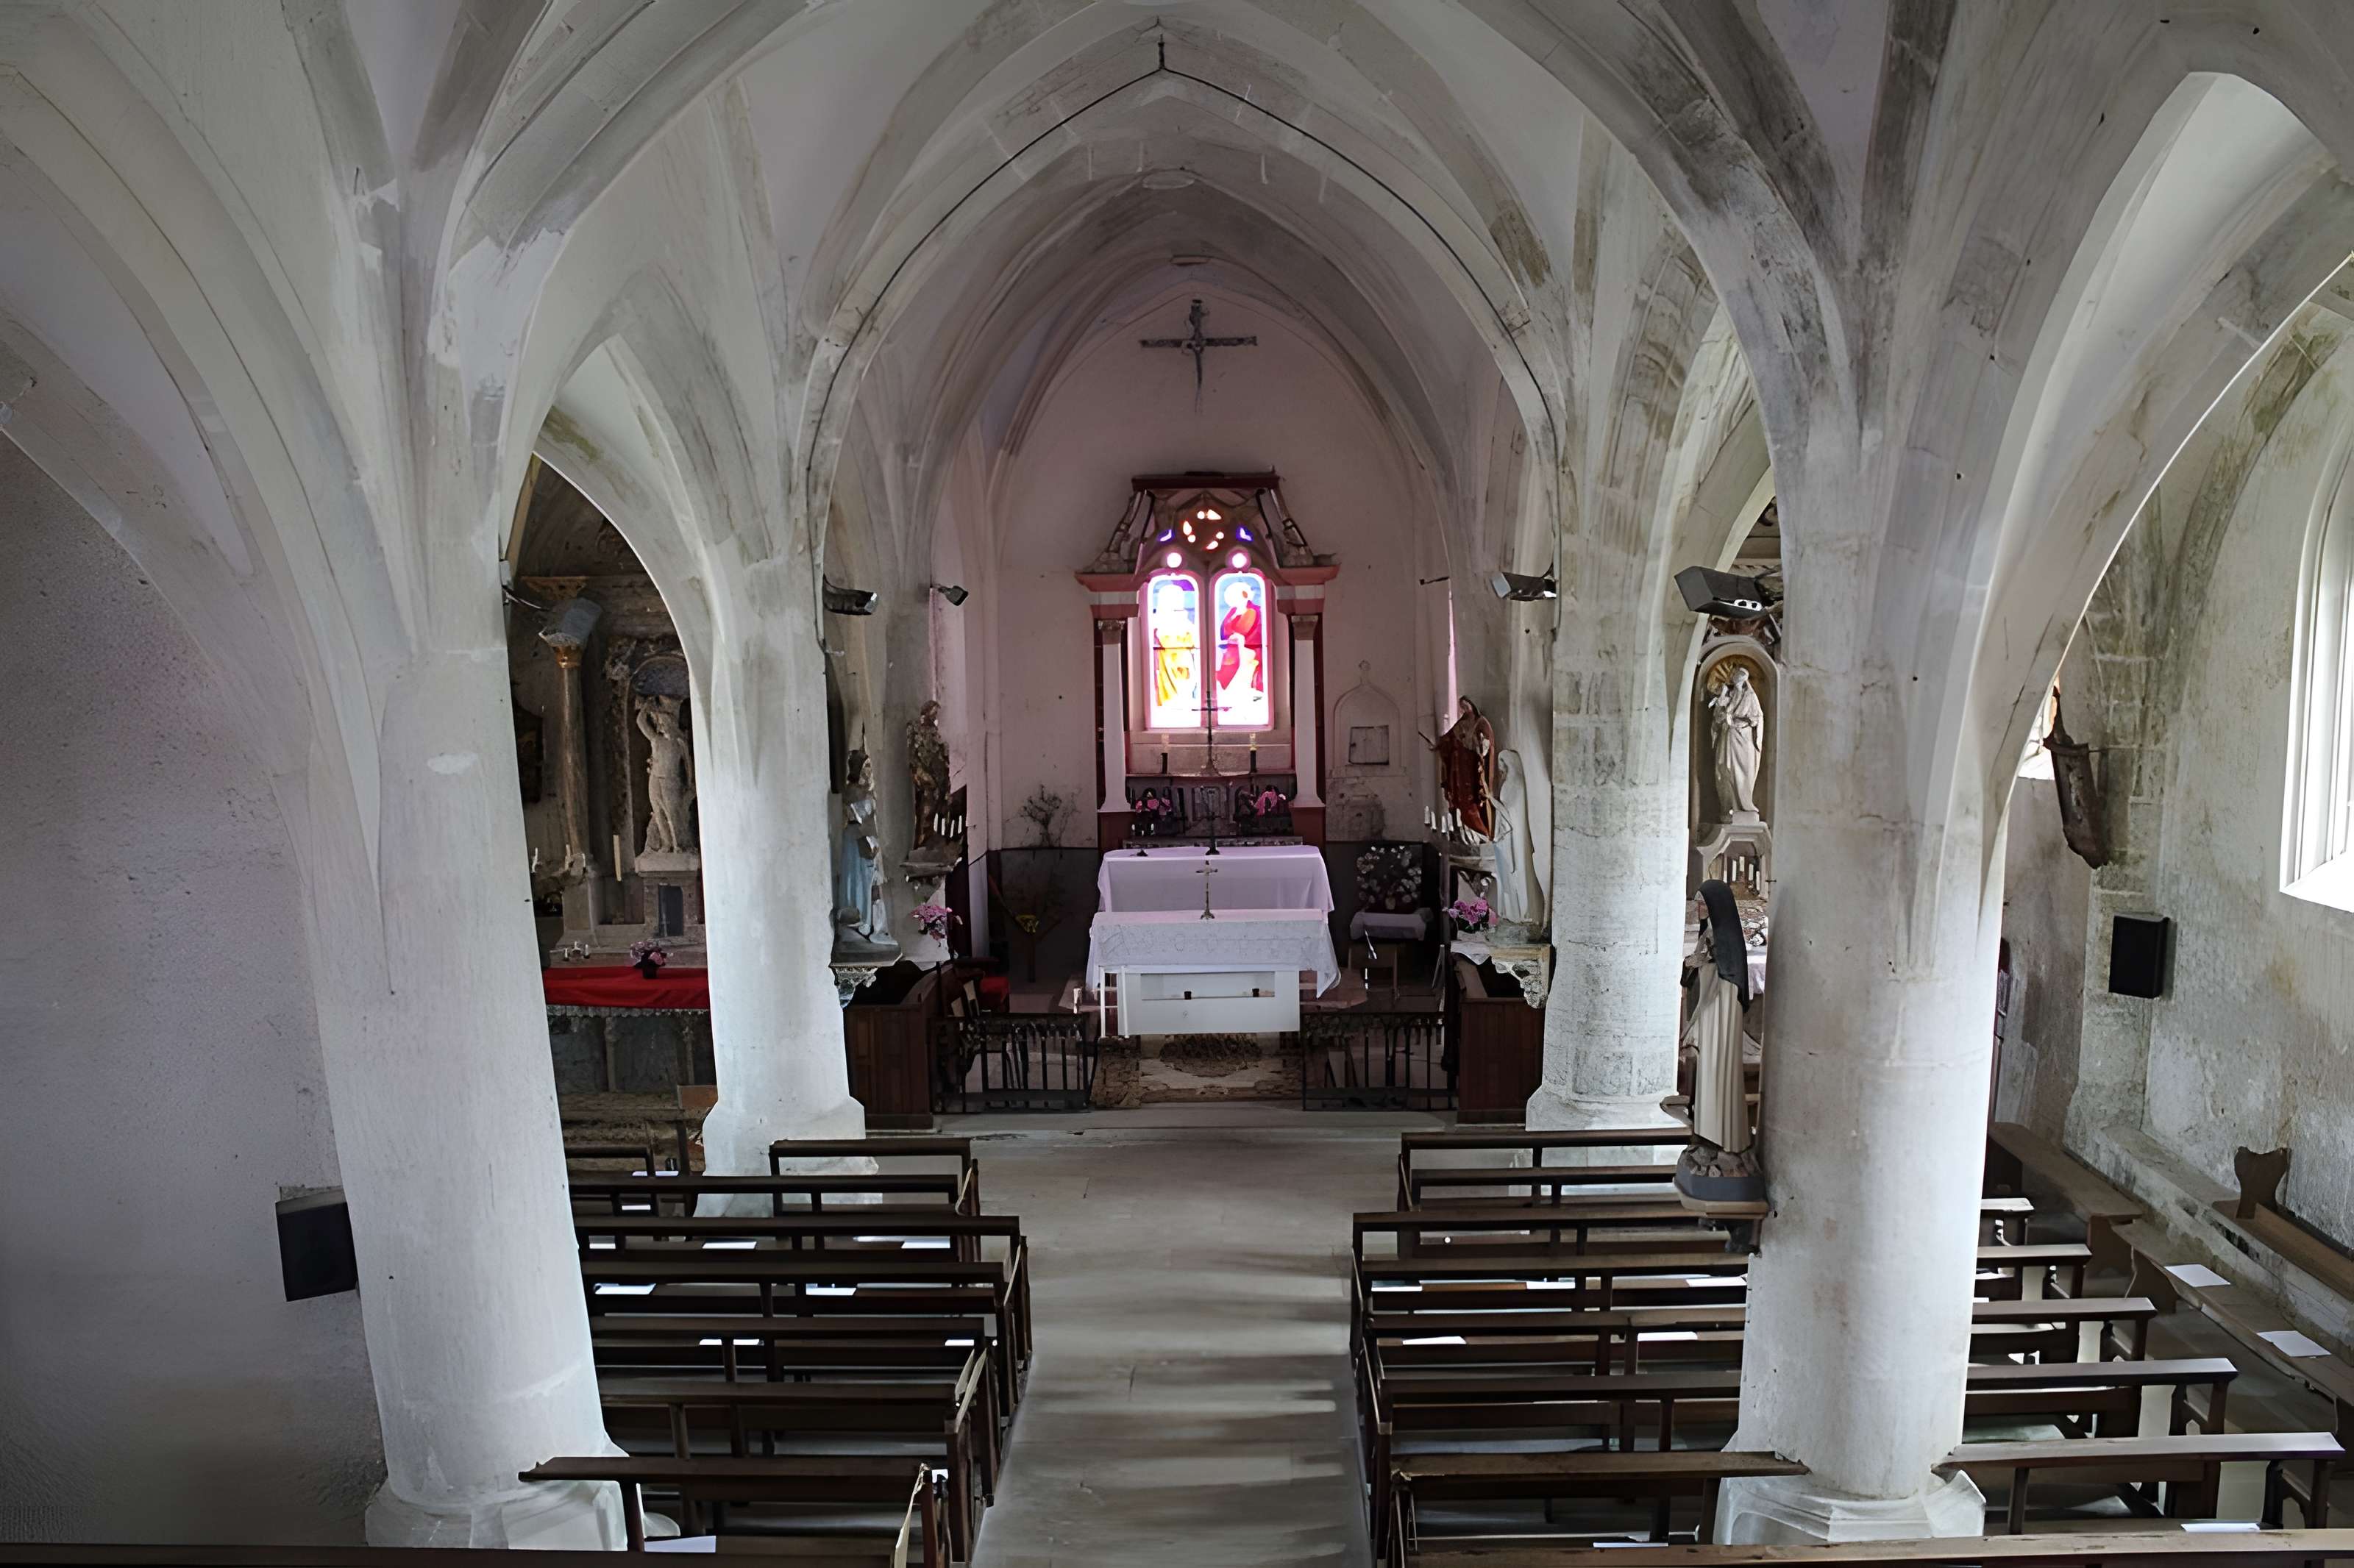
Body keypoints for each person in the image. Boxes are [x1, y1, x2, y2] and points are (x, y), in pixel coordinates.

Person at [1675, 880, 1764, 1203]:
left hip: (1720, 1015)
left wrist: (1701, 971)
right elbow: (1702, 968)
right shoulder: (1711, 934)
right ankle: (1709, 1135)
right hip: (1713, 1013)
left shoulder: (1725, 941)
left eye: (1702, 904)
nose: (1698, 910)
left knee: (1718, 1074)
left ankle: (1725, 1139)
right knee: (1710, 1078)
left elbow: (1727, 977)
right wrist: (1694, 968)